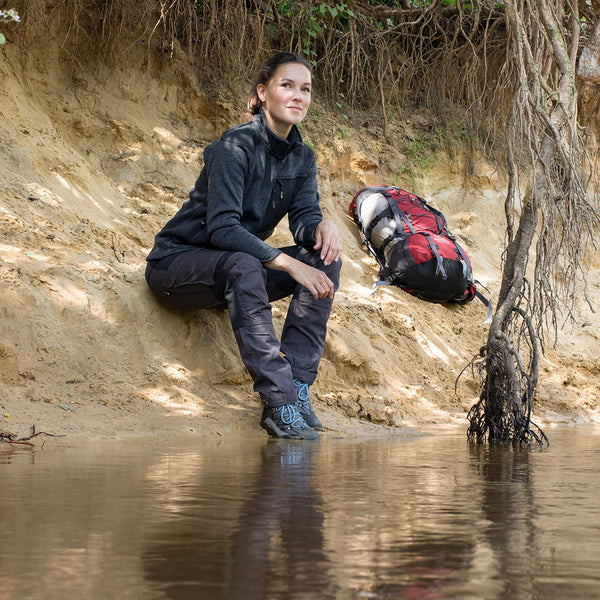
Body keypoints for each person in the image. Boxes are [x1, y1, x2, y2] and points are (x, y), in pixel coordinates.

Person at [145, 52, 342, 441]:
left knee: (322, 258)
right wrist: (288, 265)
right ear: (263, 92)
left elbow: (303, 220)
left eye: (306, 89)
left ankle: (299, 388)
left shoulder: (302, 157)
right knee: (245, 262)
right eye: (287, 85)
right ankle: (278, 401)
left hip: (233, 275)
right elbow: (222, 230)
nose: (298, 96)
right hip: (176, 267)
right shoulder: (234, 147)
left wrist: (322, 225)